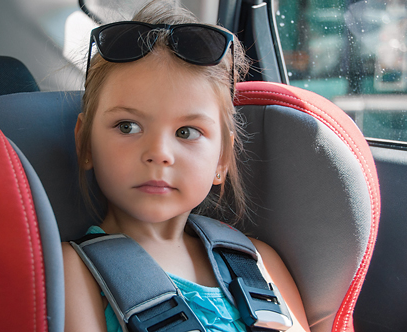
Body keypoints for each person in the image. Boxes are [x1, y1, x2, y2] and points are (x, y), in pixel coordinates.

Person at [62, 1, 310, 331]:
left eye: (186, 132)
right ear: (85, 144)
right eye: (127, 126)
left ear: (222, 158)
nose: (159, 153)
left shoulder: (256, 261)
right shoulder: (73, 270)